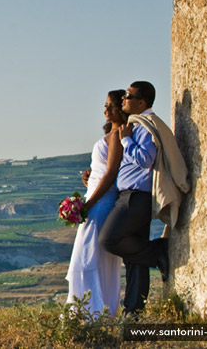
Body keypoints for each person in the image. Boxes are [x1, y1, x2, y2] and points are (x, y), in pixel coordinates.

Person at [98, 81, 169, 316]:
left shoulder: (144, 127)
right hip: (132, 194)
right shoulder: (135, 124)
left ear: (141, 103)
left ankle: (158, 251)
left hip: (135, 196)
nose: (124, 99)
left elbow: (145, 159)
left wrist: (126, 140)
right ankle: (133, 310)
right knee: (133, 258)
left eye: (128, 96)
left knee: (109, 239)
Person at [65, 89, 125, 316]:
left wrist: (88, 205)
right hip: (94, 197)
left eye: (111, 105)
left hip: (100, 203)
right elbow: (102, 171)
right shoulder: (111, 134)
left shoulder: (119, 137)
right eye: (105, 105)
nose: (106, 110)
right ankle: (87, 309)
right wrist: (89, 177)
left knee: (88, 255)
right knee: (88, 254)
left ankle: (92, 310)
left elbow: (111, 174)